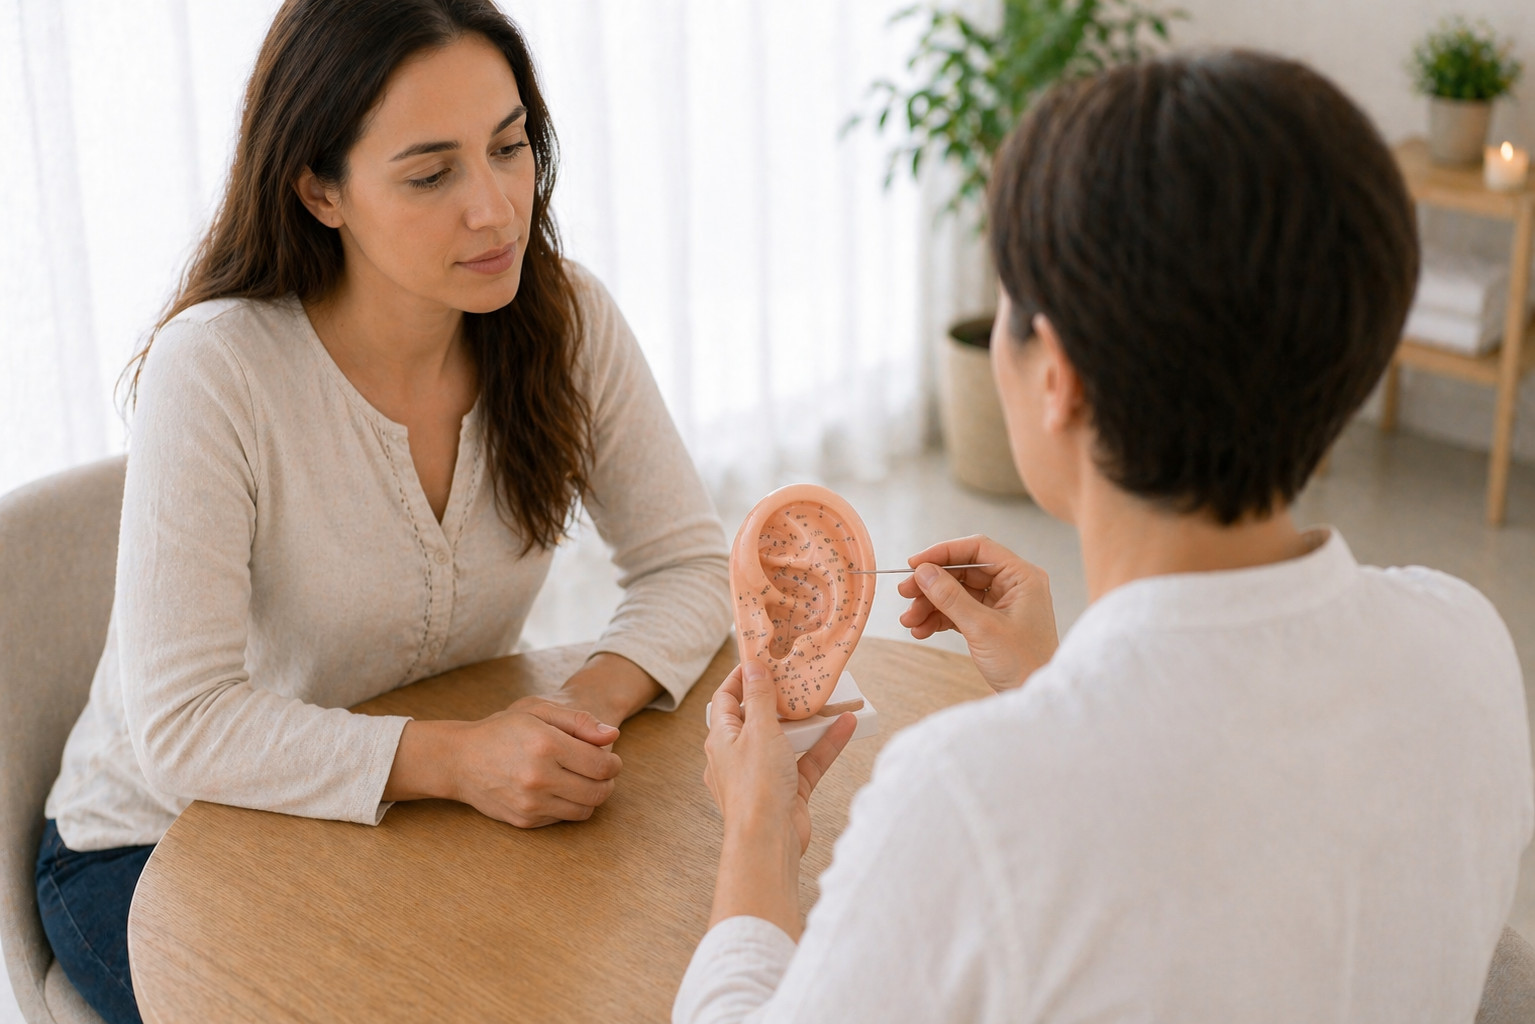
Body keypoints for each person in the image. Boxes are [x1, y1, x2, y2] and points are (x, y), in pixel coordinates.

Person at [677, 50, 1532, 1023]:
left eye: (1005, 304)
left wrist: (753, 828)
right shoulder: (1466, 642)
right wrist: (1058, 689)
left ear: (1060, 379)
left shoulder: (967, 803)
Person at [36, 3, 731, 1022]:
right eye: (430, 173)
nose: (495, 210)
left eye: (509, 148)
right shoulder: (219, 369)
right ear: (320, 188)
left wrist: (571, 715)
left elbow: (690, 566)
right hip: (154, 843)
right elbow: (179, 727)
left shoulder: (562, 319)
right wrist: (460, 756)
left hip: (412, 810)